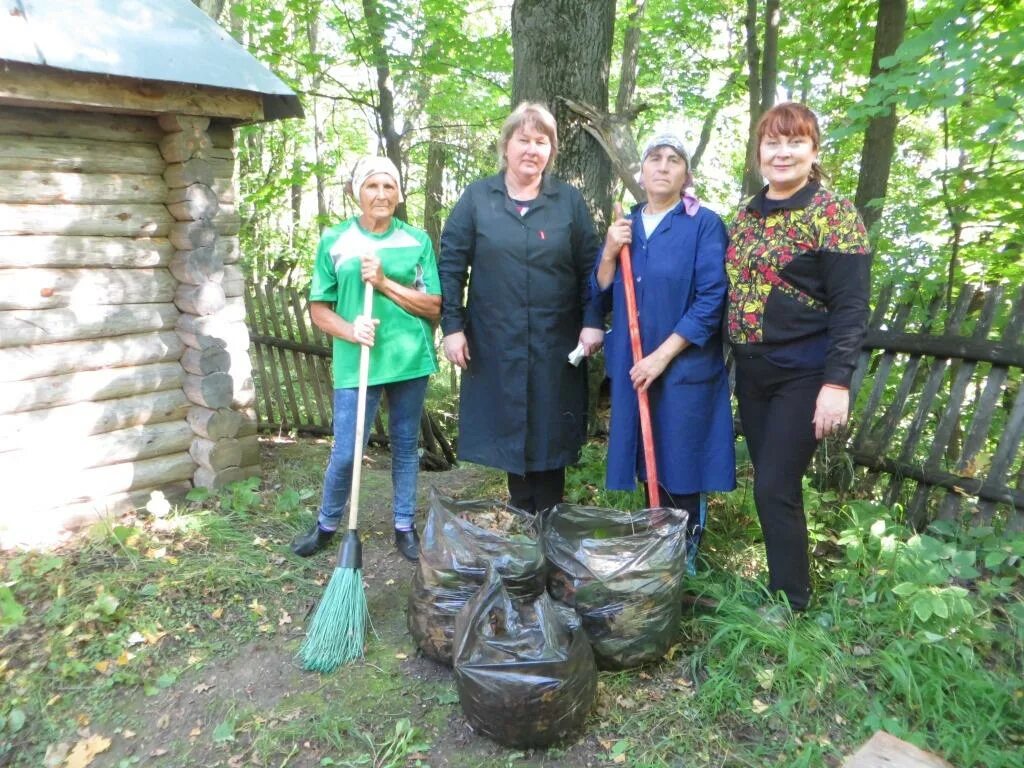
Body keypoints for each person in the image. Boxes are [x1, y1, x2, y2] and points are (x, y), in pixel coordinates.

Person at [725, 102, 872, 611]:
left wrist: (837, 383)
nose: (782, 152)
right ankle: (782, 585)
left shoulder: (834, 215)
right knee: (773, 484)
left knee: (772, 484)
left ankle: (791, 601)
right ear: (759, 150)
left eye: (795, 142)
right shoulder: (745, 215)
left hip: (805, 373)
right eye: (772, 142)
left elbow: (851, 308)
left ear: (813, 150)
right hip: (752, 372)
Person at [439, 102, 604, 514]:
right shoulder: (478, 198)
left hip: (556, 343)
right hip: (497, 341)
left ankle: (548, 530)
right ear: (506, 145)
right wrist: (453, 327)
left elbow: (593, 267)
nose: (531, 149)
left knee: (550, 432)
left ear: (551, 150)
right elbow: (451, 263)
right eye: (523, 140)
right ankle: (525, 528)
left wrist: (593, 321)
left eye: (541, 141)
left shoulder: (568, 202)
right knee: (512, 427)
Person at [595, 133, 736, 572]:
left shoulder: (703, 224)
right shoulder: (626, 225)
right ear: (641, 171)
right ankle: (656, 555)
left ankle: (684, 561)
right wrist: (609, 250)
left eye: (673, 160)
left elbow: (712, 298)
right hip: (632, 362)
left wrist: (662, 356)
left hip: (682, 366)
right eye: (654, 159)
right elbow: (599, 291)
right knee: (644, 458)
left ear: (685, 174)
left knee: (682, 462)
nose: (662, 166)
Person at [291, 155, 441, 562]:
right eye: (372, 186)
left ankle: (404, 525)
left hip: (409, 357)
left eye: (389, 186)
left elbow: (434, 306)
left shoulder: (416, 241)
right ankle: (326, 524)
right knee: (346, 449)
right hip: (356, 359)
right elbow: (319, 308)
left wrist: (384, 281)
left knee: (406, 444)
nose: (381, 194)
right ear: (357, 192)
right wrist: (351, 330)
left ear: (399, 193)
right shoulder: (334, 242)